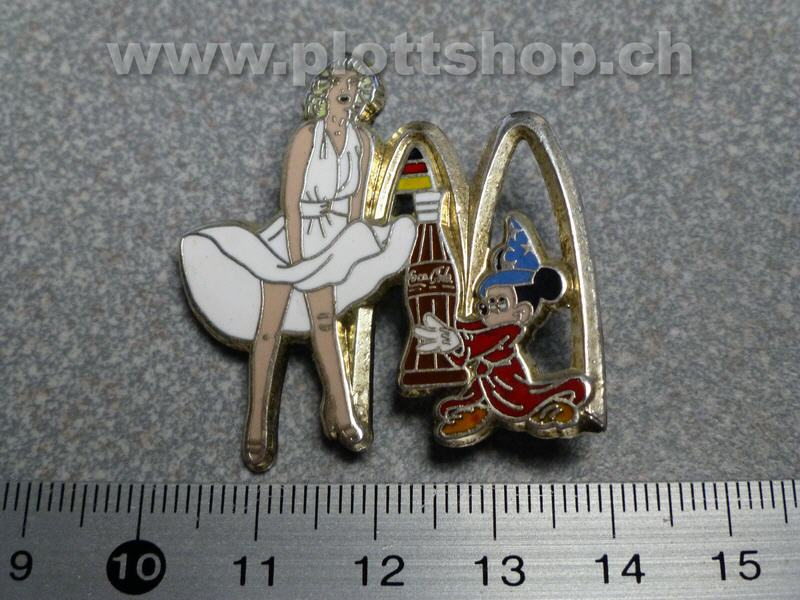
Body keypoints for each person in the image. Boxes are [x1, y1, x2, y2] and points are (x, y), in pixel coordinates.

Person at [180, 57, 416, 470]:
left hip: (334, 237)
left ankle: (341, 411)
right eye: (340, 85)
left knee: (324, 321)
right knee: (268, 329)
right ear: (325, 91)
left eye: (354, 87)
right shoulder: (307, 136)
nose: (347, 92)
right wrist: (296, 257)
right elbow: (290, 202)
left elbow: (356, 209)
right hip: (294, 235)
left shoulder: (363, 141)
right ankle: (258, 424)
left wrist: (345, 251)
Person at [413, 215, 590, 446]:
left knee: (523, 405)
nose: (488, 308)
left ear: (521, 313)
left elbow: (480, 342)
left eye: (499, 303)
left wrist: (458, 342)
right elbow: (468, 328)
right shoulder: (487, 324)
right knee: (452, 406)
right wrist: (448, 329)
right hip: (486, 386)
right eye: (486, 303)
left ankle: (554, 408)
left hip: (509, 389)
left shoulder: (507, 331)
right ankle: (476, 412)